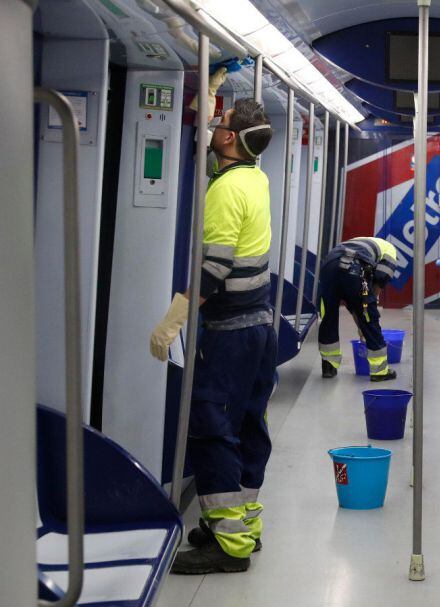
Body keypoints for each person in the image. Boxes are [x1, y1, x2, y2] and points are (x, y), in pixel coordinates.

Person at [150, 97, 276, 575]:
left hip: (230, 334)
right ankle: (242, 525)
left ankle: (228, 547)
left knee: (212, 427)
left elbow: (215, 266)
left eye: (217, 125)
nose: (211, 131)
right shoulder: (255, 177)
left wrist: (175, 317)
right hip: (259, 326)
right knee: (247, 425)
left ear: (227, 139)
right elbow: (219, 159)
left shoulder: (225, 191)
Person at [317, 236, 400, 381]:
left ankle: (328, 366)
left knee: (328, 317)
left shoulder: (360, 242)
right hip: (354, 267)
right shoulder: (391, 251)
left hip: (329, 266)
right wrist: (368, 308)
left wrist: (360, 322)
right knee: (369, 317)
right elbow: (380, 279)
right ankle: (379, 371)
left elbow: (353, 302)